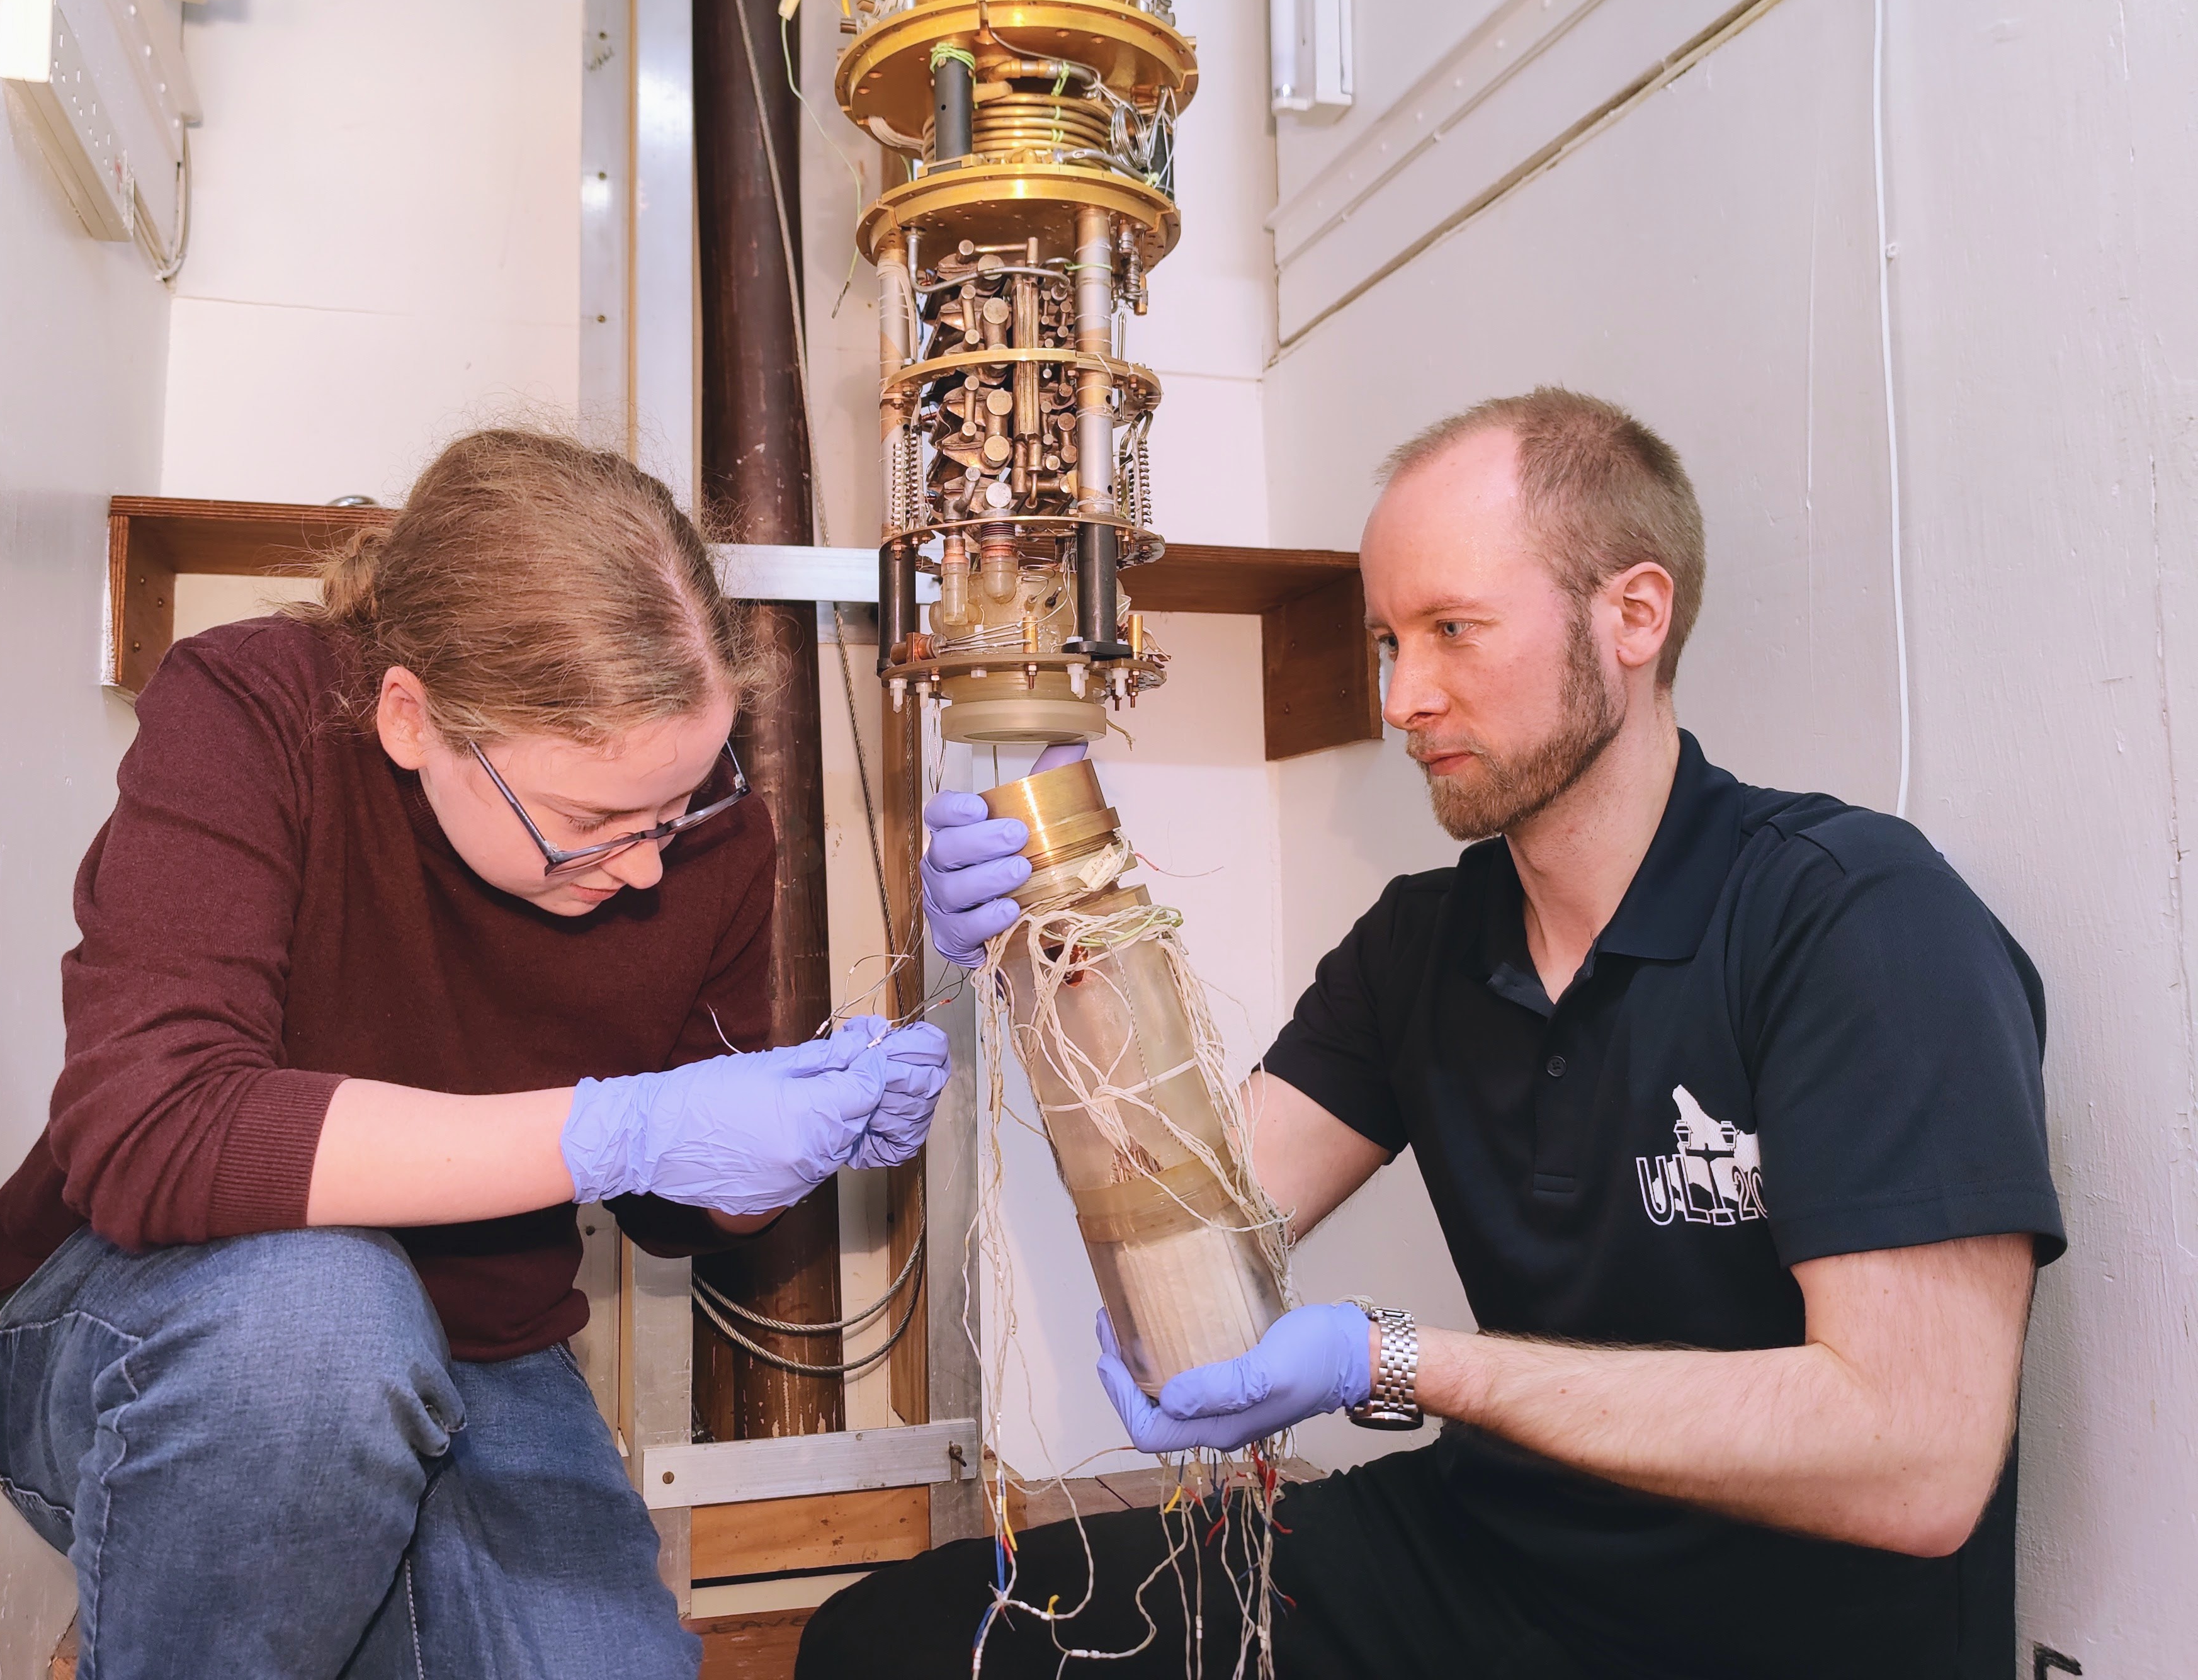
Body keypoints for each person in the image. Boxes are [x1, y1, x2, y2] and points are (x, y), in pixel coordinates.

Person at [806, 389, 2062, 1680]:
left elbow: (1915, 1461)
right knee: (893, 1644)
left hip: (1779, 1631)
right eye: (1387, 641)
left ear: (1633, 616)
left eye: (1454, 631)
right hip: (1489, 1563)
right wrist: (1045, 918)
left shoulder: (1854, 920)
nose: (1403, 697)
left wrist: (1394, 1362)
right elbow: (1183, 1248)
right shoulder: (1424, 943)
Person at [0, 428, 949, 1680]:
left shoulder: (707, 839)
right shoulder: (248, 710)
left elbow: (671, 1210)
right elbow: (154, 1133)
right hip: (181, 1336)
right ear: (412, 717)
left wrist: (778, 1154)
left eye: (673, 806)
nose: (647, 864)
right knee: (323, 1326)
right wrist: (618, 1124)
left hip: (485, 1353)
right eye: (593, 823)